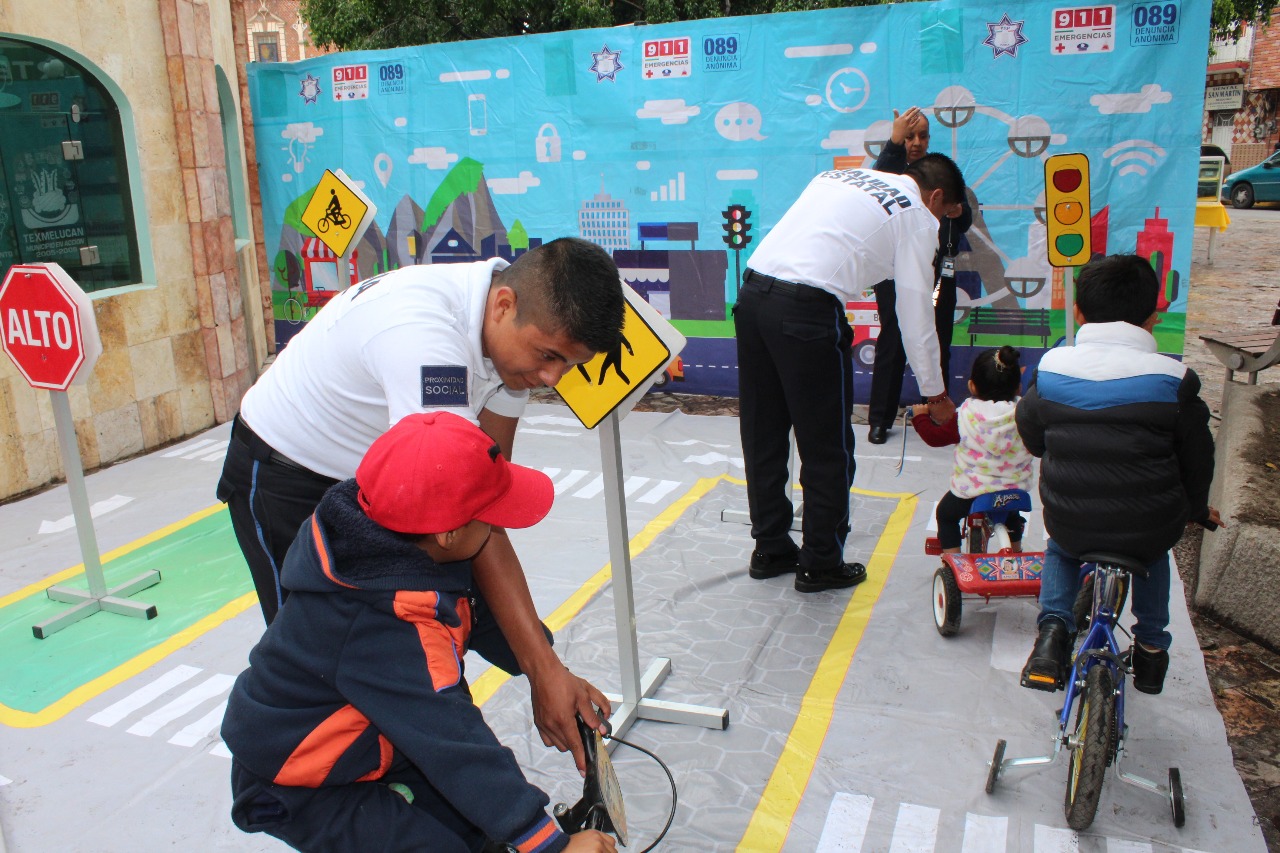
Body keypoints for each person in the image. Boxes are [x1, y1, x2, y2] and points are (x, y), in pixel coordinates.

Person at [216, 237, 625, 773]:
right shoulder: (429, 346)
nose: (553, 378)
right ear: (503, 305)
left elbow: (485, 504)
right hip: (285, 474)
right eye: (549, 357)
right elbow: (458, 505)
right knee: (331, 663)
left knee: (437, 630)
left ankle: (438, 773)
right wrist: (541, 669)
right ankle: (345, 799)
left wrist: (543, 665)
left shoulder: (513, 343)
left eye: (568, 364)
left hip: (377, 479)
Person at [222, 411, 616, 853]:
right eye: (489, 518)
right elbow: (452, 744)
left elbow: (475, 615)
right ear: (448, 533)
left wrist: (547, 671)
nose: (494, 529)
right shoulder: (382, 626)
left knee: (479, 829)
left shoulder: (396, 545)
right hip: (299, 781)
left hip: (374, 741)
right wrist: (549, 845)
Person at [735, 153, 964, 593]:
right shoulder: (918, 214)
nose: (941, 224)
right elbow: (916, 311)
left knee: (763, 434)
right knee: (827, 446)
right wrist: (935, 394)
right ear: (935, 196)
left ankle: (770, 548)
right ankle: (820, 561)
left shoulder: (840, 175)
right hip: (805, 310)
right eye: (946, 213)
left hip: (753, 295)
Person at [1015, 254, 1223, 695]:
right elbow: (1198, 456)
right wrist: (1195, 508)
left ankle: (1053, 632)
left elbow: (1032, 431)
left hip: (1072, 519)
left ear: (1078, 312)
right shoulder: (1175, 380)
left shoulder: (1051, 369)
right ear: (1152, 319)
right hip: (1147, 524)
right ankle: (1150, 647)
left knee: (1063, 551)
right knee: (1154, 552)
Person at [867, 106, 974, 445]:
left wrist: (957, 211)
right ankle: (880, 420)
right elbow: (874, 185)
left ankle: (937, 412)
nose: (916, 142)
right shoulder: (891, 173)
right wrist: (894, 143)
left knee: (939, 338)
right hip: (895, 275)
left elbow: (965, 218)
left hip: (941, 271)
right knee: (895, 339)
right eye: (909, 136)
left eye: (922, 136)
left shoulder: (940, 172)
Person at [911, 345, 1034, 555]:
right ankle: (1016, 550)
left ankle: (952, 563)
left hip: (971, 491)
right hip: (1014, 490)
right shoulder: (1025, 414)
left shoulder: (966, 416)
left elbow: (934, 438)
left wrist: (920, 417)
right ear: (1018, 388)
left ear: (972, 386)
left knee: (946, 515)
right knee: (1011, 514)